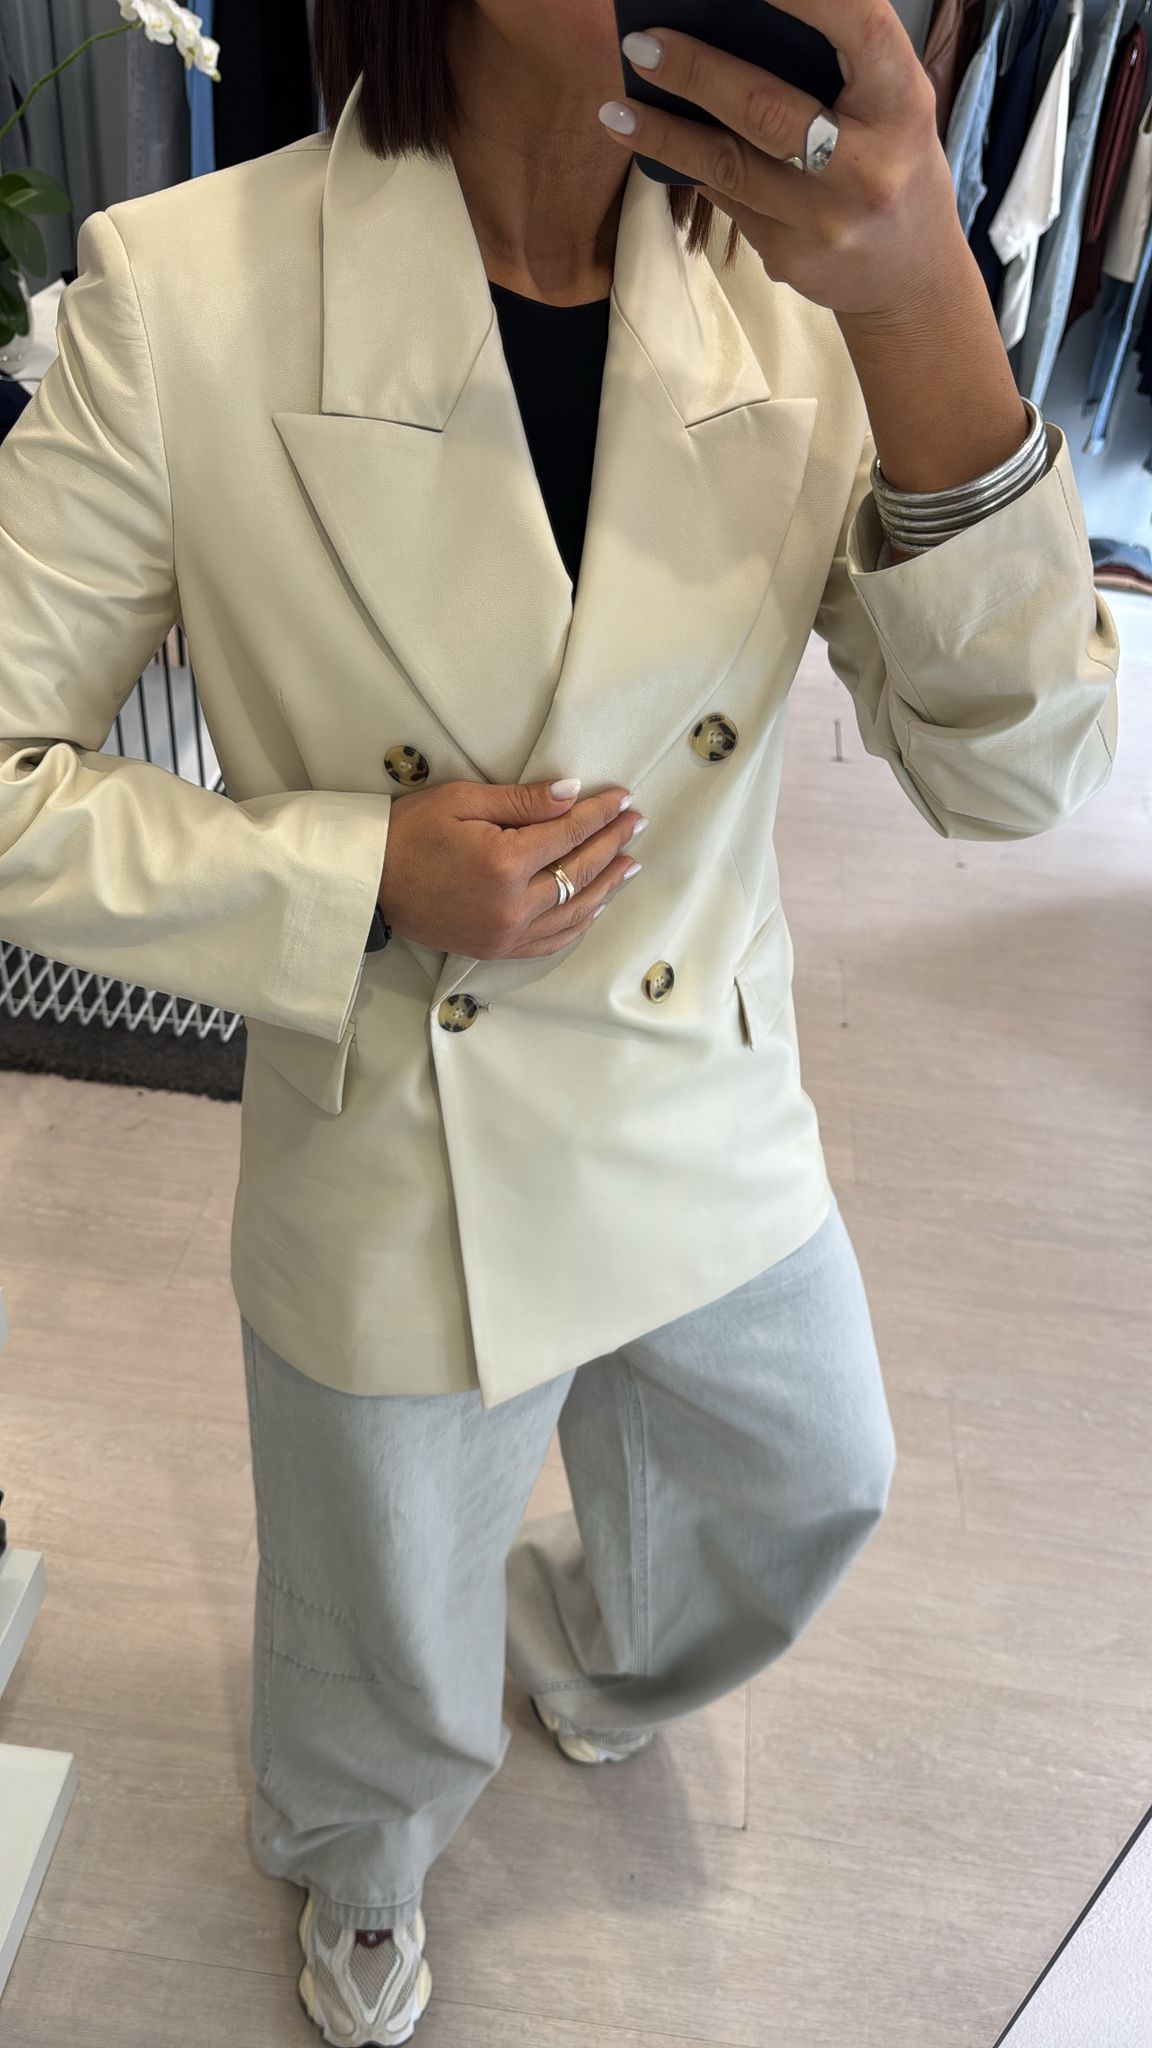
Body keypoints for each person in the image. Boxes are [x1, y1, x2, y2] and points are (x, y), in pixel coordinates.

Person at [0, 1, 1120, 2042]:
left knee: (808, 1479)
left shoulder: (813, 294)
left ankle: (589, 1649)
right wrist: (354, 874)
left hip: (699, 1073)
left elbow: (1015, 778)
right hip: (397, 1108)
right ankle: (361, 1853)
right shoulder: (186, 293)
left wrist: (928, 305)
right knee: (378, 1605)